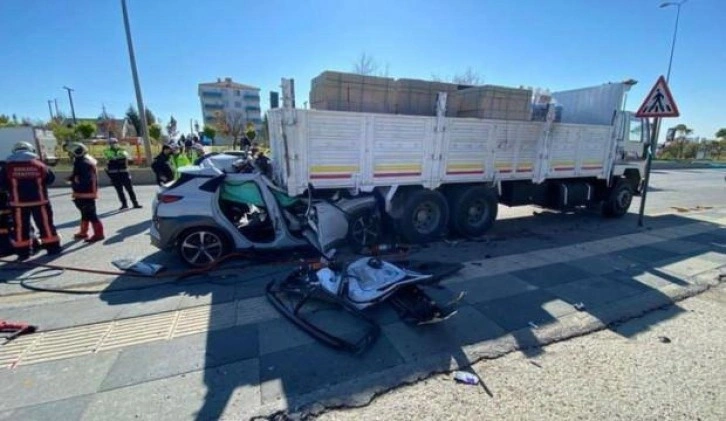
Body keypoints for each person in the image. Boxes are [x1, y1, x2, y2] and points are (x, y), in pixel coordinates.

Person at [0, 142, 61, 260]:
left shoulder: (8, 166)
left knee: (20, 228)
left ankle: (23, 252)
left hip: (18, 203)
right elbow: (50, 179)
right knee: (45, 225)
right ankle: (52, 248)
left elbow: (2, 184)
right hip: (40, 201)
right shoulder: (39, 164)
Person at [69, 143, 104, 242]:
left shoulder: (83, 163)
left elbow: (86, 179)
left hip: (85, 193)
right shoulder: (83, 161)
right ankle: (83, 232)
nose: (70, 155)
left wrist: (75, 181)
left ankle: (99, 234)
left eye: (71, 152)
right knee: (85, 214)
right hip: (84, 193)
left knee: (91, 214)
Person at [103, 138, 141, 210]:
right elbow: (108, 159)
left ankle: (135, 203)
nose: (113, 144)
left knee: (130, 189)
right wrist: (118, 158)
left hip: (124, 172)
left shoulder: (122, 150)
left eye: (114, 142)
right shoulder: (107, 151)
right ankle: (124, 204)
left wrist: (119, 159)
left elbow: (128, 159)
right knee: (119, 191)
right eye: (111, 143)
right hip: (114, 174)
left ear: (117, 142)